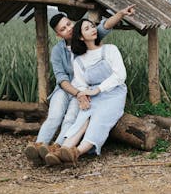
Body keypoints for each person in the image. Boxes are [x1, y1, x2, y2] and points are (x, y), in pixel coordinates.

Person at [24, 5, 135, 165]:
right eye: (63, 29)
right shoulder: (58, 51)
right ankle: (38, 147)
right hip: (66, 88)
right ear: (58, 34)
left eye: (69, 24)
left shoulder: (87, 38)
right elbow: (62, 79)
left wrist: (120, 14)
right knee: (55, 116)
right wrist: (79, 93)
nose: (68, 29)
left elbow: (105, 26)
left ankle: (58, 148)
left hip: (88, 90)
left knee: (71, 118)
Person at [44, 18, 127, 166]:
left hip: (114, 93)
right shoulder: (79, 60)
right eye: (87, 28)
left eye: (93, 26)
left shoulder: (110, 49)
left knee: (99, 119)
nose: (93, 29)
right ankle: (63, 150)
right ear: (81, 37)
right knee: (82, 119)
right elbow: (80, 84)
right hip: (93, 95)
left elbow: (120, 75)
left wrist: (98, 89)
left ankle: (77, 152)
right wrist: (82, 96)